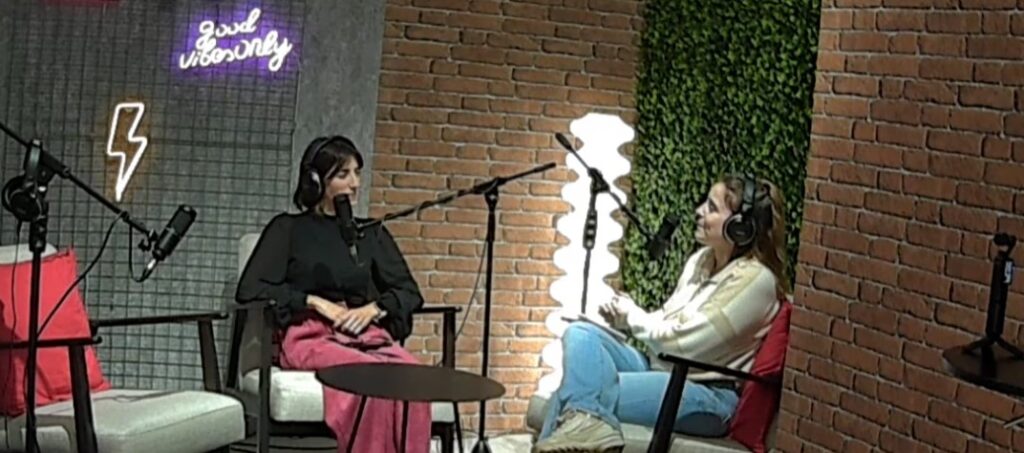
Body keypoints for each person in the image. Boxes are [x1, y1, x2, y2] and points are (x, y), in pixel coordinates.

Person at [533, 174, 789, 453]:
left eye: (712, 208)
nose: (699, 211)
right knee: (581, 333)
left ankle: (582, 426)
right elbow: (668, 319)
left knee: (579, 395)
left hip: (707, 393)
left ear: (740, 228)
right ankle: (587, 426)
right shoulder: (701, 260)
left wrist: (633, 317)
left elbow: (683, 344)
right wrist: (623, 315)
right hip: (660, 368)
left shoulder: (756, 281)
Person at [236, 135, 430, 453]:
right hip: (309, 335)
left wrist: (374, 309)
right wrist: (314, 302)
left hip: (365, 334)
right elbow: (250, 289)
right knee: (370, 377)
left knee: (413, 378)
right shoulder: (288, 229)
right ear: (316, 181)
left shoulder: (369, 233)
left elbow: (409, 293)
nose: (355, 183)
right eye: (343, 174)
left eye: (357, 173)